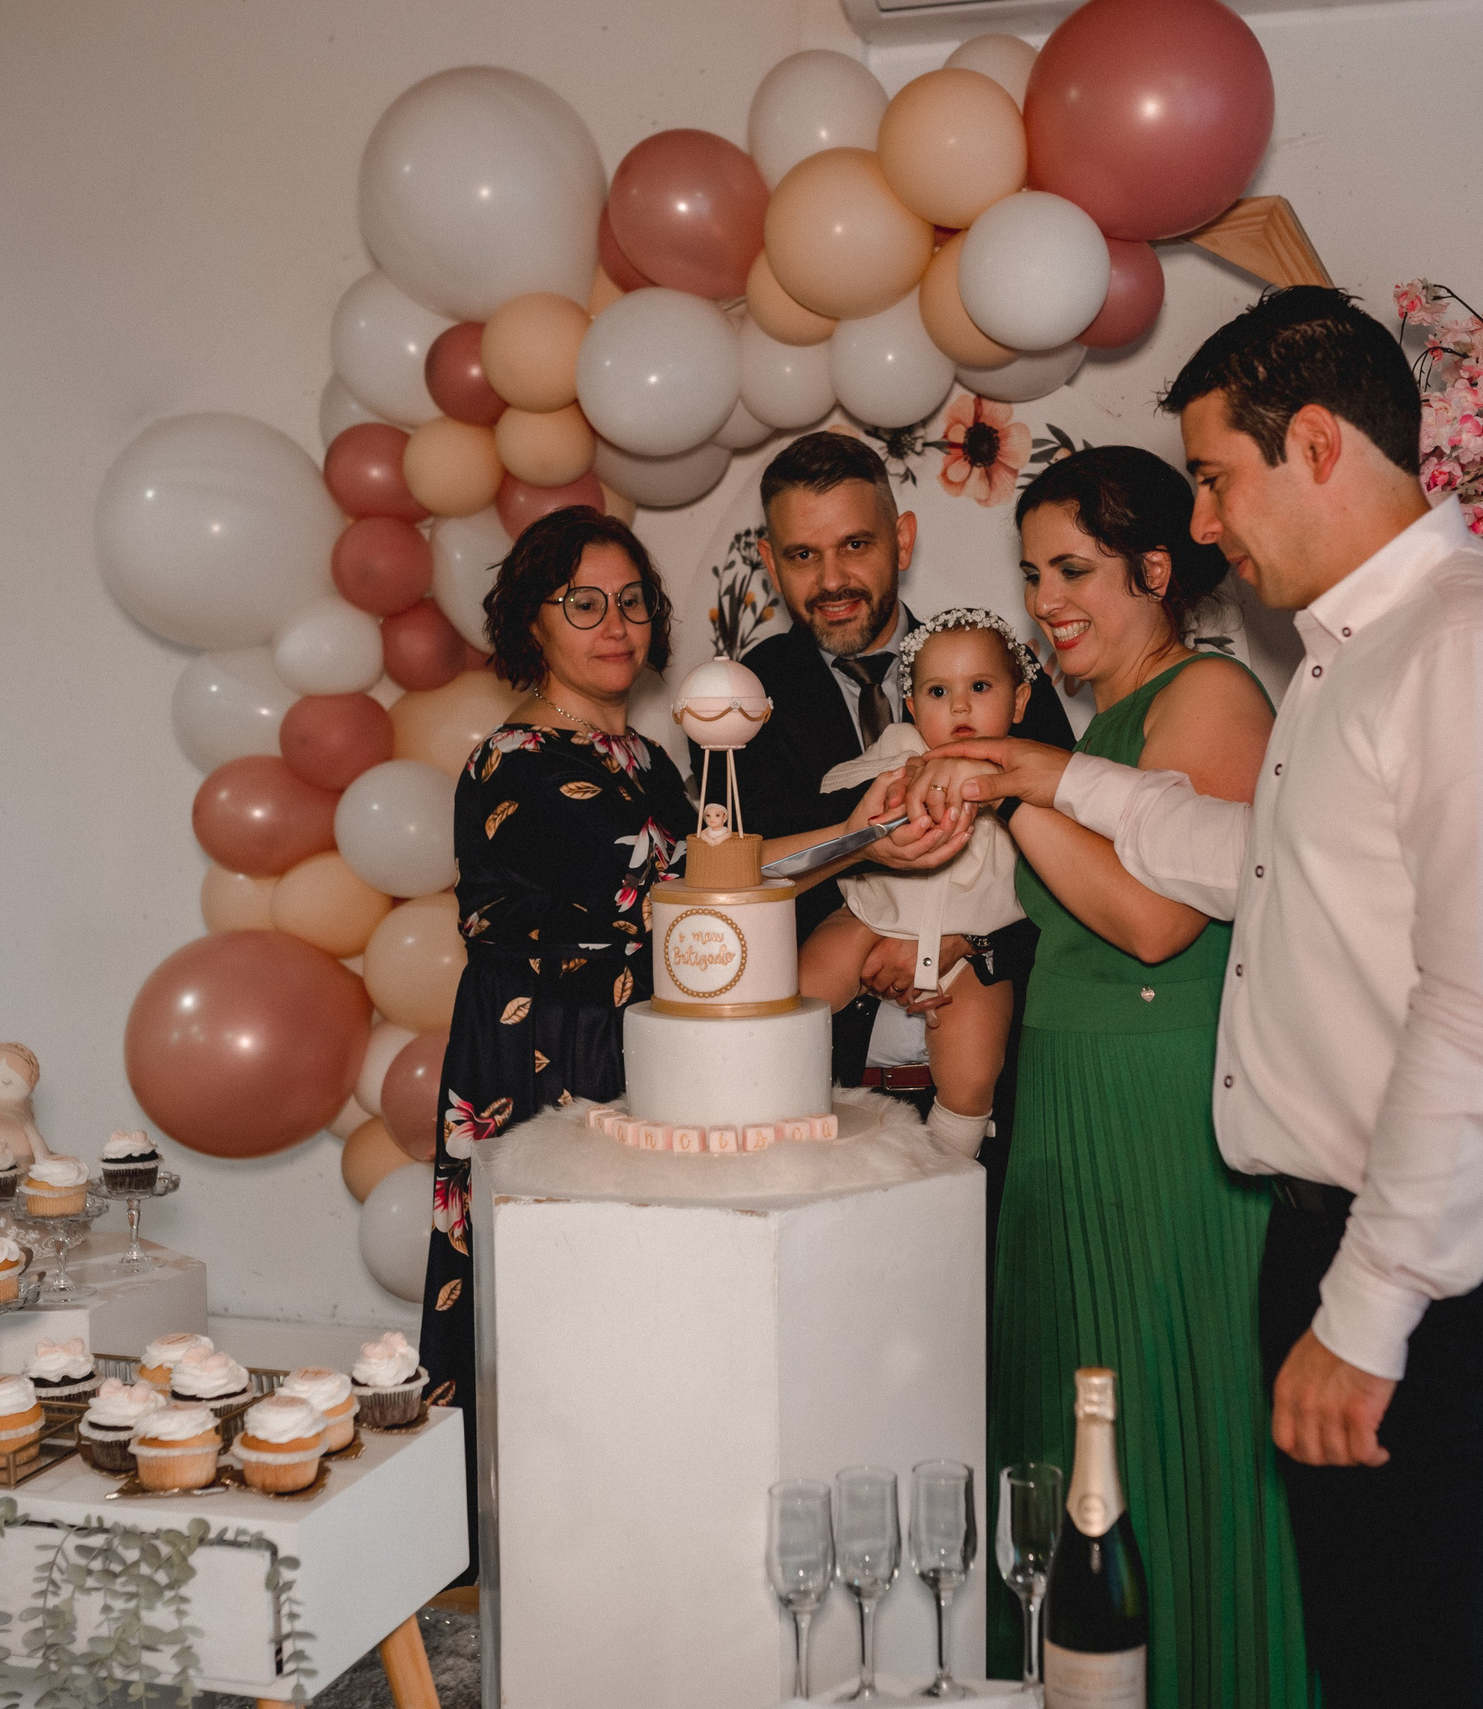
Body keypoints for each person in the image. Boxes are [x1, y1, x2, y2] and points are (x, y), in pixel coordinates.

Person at [910, 289, 1483, 1708]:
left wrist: (1366, 1314)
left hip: (1444, 1259)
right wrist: (1054, 775)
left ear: (1314, 441)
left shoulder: (1473, 649)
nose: (1212, 526)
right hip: (1342, 1231)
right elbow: (1256, 863)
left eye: (1220, 480)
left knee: (1416, 1667)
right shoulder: (1357, 653)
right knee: (1354, 1648)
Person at [419, 506, 968, 1581]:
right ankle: (552, 1578)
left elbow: (725, 878)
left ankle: (639, 1561)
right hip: (549, 1067)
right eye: (585, 602)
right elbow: (686, 883)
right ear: (533, 620)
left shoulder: (639, 752)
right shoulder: (519, 761)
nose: (614, 623)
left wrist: (872, 834)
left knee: (641, 1332)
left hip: (640, 1051)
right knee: (553, 1331)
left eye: (631, 601)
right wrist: (873, 833)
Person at [960, 445, 1305, 1708]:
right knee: (1065, 1412)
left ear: (1157, 570)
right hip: (1064, 1102)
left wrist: (1008, 784)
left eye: (1074, 569)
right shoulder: (1096, 720)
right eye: (1031, 573)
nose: (1045, 598)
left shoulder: (1205, 691)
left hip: (1157, 1121)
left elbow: (1160, 924)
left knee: (1156, 1411)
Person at [715, 431, 1075, 1221]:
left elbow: (1070, 871)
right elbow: (731, 882)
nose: (833, 578)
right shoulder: (744, 697)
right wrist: (867, 871)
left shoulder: (997, 668)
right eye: (803, 555)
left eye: (855, 544)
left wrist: (970, 944)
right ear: (771, 567)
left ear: (902, 541)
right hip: (819, 1106)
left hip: (986, 1092)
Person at [803, 609, 1043, 1153]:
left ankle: (946, 1174)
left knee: (972, 1074)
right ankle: (770, 1110)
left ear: (1019, 701)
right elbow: (833, 786)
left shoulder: (1029, 771)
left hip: (973, 945)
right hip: (873, 916)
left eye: (980, 687)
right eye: (938, 692)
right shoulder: (899, 749)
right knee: (799, 994)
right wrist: (894, 781)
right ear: (912, 706)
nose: (959, 706)